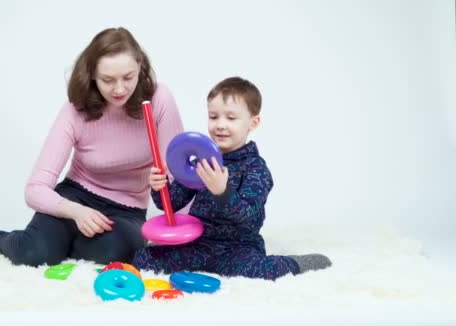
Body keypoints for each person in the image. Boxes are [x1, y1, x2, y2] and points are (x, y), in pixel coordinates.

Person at [0, 27, 184, 267]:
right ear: (93, 75)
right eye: (108, 80)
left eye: (128, 77)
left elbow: (177, 177)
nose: (119, 89)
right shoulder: (75, 111)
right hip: (75, 198)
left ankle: (54, 243)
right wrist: (76, 212)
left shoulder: (159, 99)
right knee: (34, 255)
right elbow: (35, 189)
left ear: (140, 67)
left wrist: (190, 232)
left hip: (127, 211)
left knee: (113, 254)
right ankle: (1, 239)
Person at [132, 76, 331, 280]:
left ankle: (297, 263)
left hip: (237, 248)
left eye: (231, 118)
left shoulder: (256, 168)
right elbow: (171, 204)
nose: (220, 125)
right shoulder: (202, 160)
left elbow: (249, 215)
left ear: (253, 123)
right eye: (214, 116)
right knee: (143, 259)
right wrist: (160, 187)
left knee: (260, 271)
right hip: (198, 243)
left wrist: (222, 192)